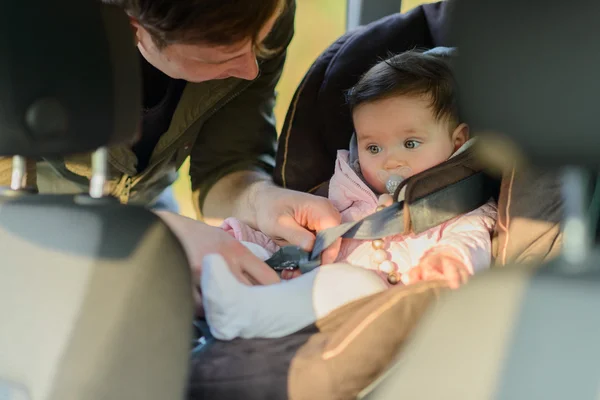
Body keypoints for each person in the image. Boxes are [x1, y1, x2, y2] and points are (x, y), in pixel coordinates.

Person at [0, 0, 343, 312]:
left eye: (260, 43)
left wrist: (259, 201)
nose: (251, 69)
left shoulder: (262, 10)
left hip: (148, 209)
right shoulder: (21, 33)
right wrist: (150, 236)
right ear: (133, 29)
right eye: (222, 56)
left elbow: (228, 162)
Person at [200, 49, 498, 340]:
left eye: (410, 143)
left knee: (355, 283)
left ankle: (242, 313)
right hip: (296, 288)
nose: (390, 161)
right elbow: (294, 240)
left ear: (458, 139)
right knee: (246, 252)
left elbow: (469, 238)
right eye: (374, 148)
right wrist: (246, 238)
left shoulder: (459, 207)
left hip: (372, 316)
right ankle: (228, 298)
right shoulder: (343, 198)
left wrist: (449, 261)